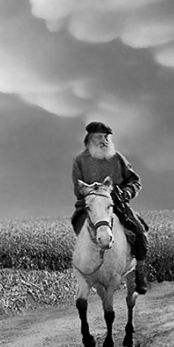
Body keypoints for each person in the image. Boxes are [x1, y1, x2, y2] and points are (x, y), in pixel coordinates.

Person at [71, 121, 151, 294]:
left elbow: (134, 181)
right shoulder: (79, 161)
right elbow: (78, 188)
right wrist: (93, 194)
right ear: (90, 139)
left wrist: (127, 193)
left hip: (116, 205)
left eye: (107, 137)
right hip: (90, 206)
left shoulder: (117, 158)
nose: (104, 141)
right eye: (100, 137)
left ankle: (140, 272)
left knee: (139, 231)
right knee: (77, 225)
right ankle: (84, 269)